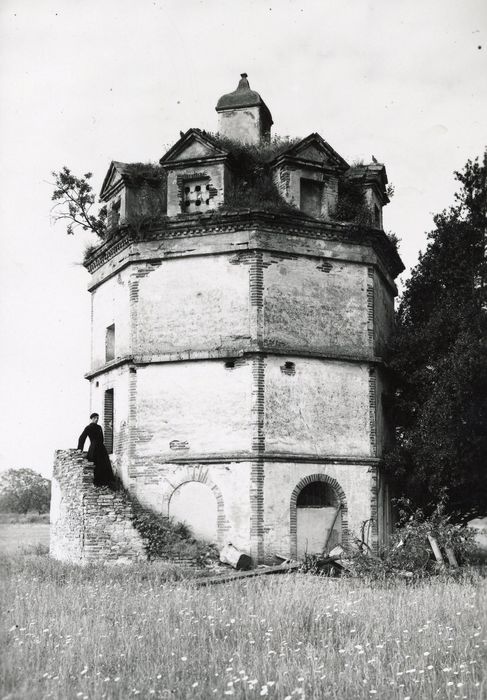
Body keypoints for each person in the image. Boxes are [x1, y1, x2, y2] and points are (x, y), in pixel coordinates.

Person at [77, 413, 115, 487]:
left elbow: (102, 438)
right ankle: (96, 483)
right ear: (91, 419)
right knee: (95, 464)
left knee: (104, 464)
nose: (96, 419)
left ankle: (105, 484)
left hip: (101, 448)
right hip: (93, 448)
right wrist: (80, 448)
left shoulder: (99, 427)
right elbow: (82, 438)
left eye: (97, 418)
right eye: (95, 418)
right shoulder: (88, 427)